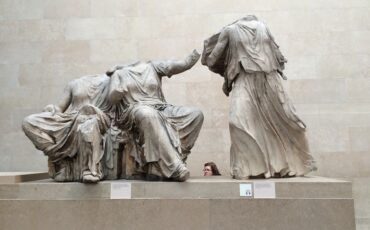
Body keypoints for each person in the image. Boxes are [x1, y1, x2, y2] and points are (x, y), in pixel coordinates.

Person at [202, 15, 316, 179]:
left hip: (268, 81)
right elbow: (278, 55)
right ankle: (250, 167)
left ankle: (282, 165)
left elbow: (212, 60)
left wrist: (223, 61)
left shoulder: (247, 28)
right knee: (237, 121)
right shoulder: (236, 30)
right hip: (247, 79)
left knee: (281, 121)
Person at [107, 50, 204, 182]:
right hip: (133, 109)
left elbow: (184, 64)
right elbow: (111, 99)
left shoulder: (153, 67)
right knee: (148, 115)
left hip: (160, 107)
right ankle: (175, 167)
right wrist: (117, 93)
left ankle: (177, 155)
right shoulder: (118, 73)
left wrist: (197, 53)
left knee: (196, 114)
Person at [22, 74, 113, 183]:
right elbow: (59, 108)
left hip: (96, 118)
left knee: (87, 124)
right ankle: (58, 157)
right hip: (70, 119)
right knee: (28, 122)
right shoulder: (74, 83)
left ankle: (89, 170)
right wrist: (51, 109)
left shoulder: (111, 81)